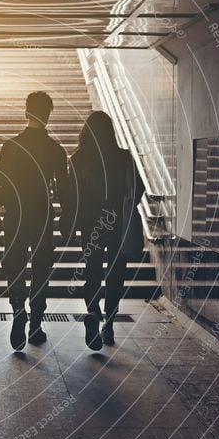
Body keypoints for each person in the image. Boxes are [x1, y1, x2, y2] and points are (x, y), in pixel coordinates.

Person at [0, 91, 69, 351]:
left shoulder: (11, 146)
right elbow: (64, 189)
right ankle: (35, 324)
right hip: (42, 213)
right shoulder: (56, 150)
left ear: (26, 112)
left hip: (15, 213)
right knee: (41, 267)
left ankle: (17, 311)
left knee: (14, 264)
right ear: (48, 115)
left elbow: (0, 184)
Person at [62, 111, 144, 350]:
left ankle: (92, 312)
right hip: (117, 221)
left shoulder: (78, 159)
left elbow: (72, 197)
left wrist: (70, 222)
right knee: (116, 271)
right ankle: (108, 323)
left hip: (90, 223)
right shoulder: (123, 157)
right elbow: (138, 189)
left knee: (92, 269)